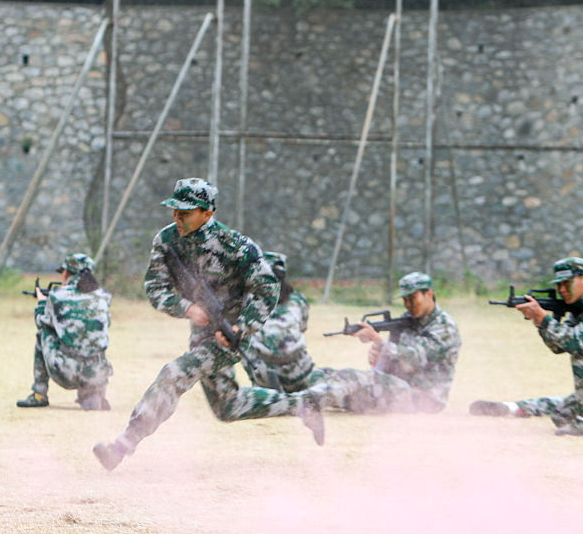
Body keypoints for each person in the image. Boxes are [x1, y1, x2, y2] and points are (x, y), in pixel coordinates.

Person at [92, 178, 324, 471]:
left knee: (174, 374)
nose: (177, 217)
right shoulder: (166, 240)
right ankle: (303, 404)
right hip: (202, 332)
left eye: (185, 212)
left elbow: (267, 287)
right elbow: (155, 288)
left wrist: (243, 327)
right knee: (228, 406)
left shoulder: (236, 245)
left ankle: (121, 446)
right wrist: (187, 308)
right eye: (175, 210)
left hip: (233, 335)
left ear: (207, 213)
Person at [470, 256, 583, 435]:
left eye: (567, 283)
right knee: (562, 415)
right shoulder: (579, 306)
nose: (562, 289)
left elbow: (575, 342)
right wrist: (540, 323)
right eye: (559, 285)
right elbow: (559, 346)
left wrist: (544, 319)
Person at [309, 272, 461, 414]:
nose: (408, 304)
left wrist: (380, 342)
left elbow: (416, 358)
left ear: (429, 294)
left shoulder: (445, 327)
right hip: (397, 387)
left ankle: (295, 404)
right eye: (405, 300)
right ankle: (305, 396)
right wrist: (379, 357)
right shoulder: (408, 320)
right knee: (322, 375)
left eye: (412, 298)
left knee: (349, 378)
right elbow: (391, 366)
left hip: (423, 399)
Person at [15, 252, 113, 411]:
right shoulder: (104, 296)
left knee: (43, 334)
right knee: (94, 340)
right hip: (97, 374)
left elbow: (42, 322)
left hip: (65, 372)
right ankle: (95, 395)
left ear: (67, 273)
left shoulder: (57, 296)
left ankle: (39, 395)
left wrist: (42, 303)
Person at [238, 252, 329, 393]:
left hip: (263, 376)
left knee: (243, 339)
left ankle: (262, 387)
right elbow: (302, 328)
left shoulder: (248, 300)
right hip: (299, 374)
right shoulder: (298, 300)